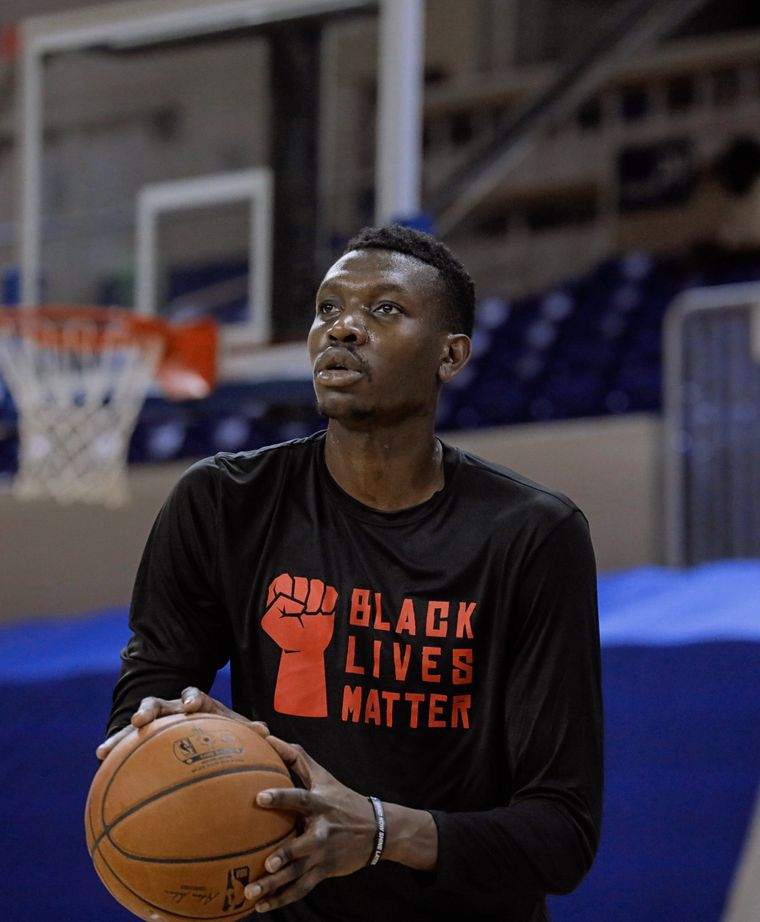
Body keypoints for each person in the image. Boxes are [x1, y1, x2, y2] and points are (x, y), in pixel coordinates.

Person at [97, 224, 603, 922]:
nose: (343, 330)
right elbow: (139, 712)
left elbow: (562, 834)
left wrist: (379, 831)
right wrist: (176, 741)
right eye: (328, 309)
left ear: (450, 355)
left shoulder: (532, 536)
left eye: (385, 310)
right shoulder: (222, 504)